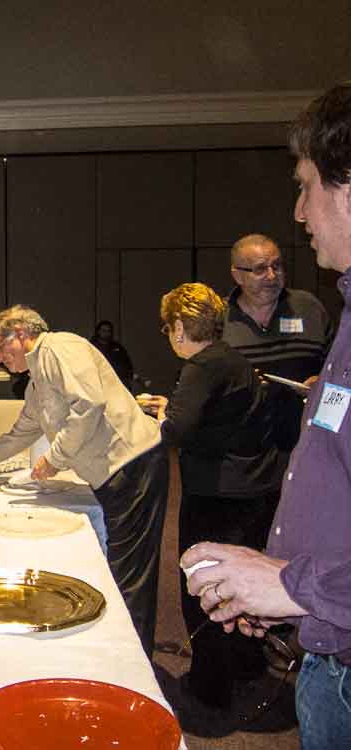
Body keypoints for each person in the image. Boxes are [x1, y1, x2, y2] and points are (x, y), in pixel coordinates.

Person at [182, 83, 351, 750]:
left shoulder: (313, 307)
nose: (299, 211)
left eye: (306, 187)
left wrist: (291, 584)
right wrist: (282, 583)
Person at [0, 305, 168, 657]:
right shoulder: (37, 378)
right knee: (119, 565)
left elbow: (88, 405)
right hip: (114, 473)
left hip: (135, 465)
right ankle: (123, 652)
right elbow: (21, 432)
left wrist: (54, 459)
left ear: (20, 333)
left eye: (0, 347)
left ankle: (134, 662)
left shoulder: (61, 347)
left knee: (131, 573)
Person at [140, 283, 285, 709]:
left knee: (205, 588)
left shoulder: (201, 366)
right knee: (243, 586)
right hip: (253, 489)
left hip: (217, 495)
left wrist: (163, 416)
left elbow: (175, 431)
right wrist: (173, 406)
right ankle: (246, 666)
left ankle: (210, 687)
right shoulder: (231, 359)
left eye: (167, 327)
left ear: (179, 326)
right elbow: (215, 418)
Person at [223, 233, 332, 384]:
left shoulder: (309, 307)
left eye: (276, 266)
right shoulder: (219, 316)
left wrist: (323, 381)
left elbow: (340, 365)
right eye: (260, 269)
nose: (272, 276)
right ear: (238, 276)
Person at [89, 320, 135, 390]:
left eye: (109, 331)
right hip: (98, 382)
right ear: (98, 331)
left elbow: (127, 365)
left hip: (116, 382)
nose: (106, 333)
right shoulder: (91, 346)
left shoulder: (117, 347)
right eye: (104, 331)